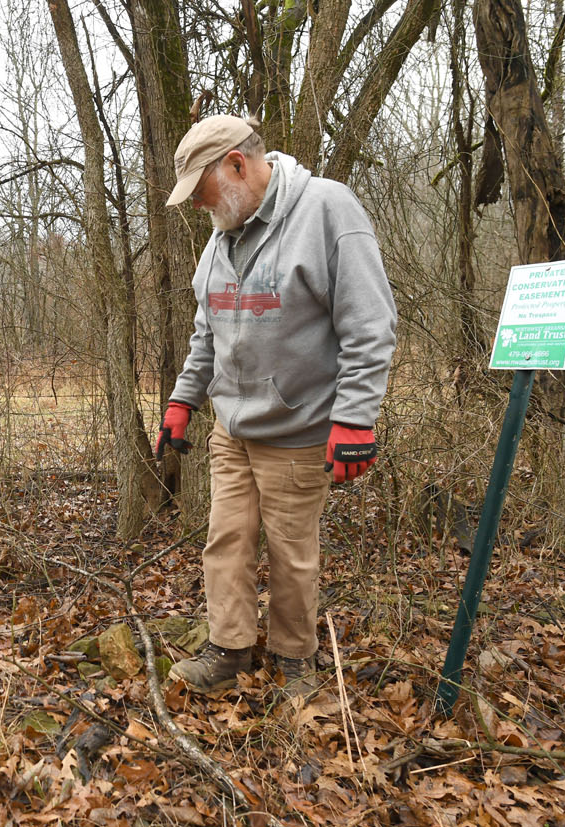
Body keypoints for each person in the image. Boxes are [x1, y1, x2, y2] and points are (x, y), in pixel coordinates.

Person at [156, 115, 396, 699]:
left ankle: (296, 662)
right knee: (226, 542)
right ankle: (231, 650)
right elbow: (206, 335)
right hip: (232, 431)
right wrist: (183, 401)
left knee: (292, 554)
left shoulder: (327, 212)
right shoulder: (221, 236)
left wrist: (355, 419)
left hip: (299, 430)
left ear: (237, 165)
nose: (198, 208)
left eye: (202, 191)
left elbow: (371, 326)